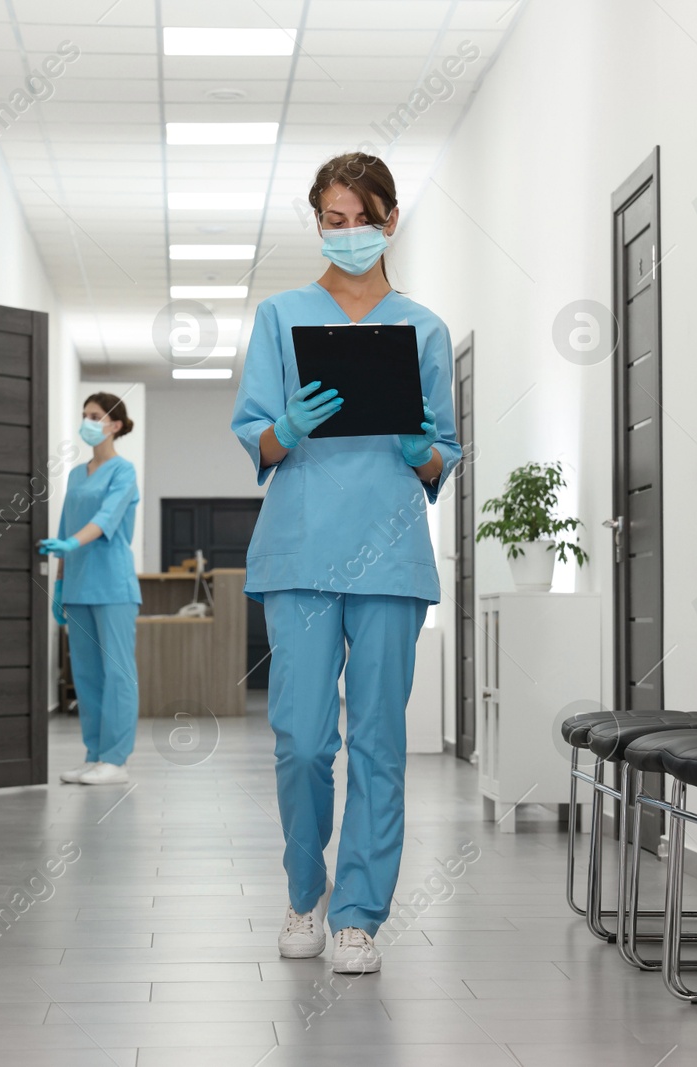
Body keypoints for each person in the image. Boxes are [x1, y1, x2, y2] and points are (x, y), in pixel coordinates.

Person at [230, 152, 462, 975]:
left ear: (390, 220)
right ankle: (304, 892)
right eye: (334, 217)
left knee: (378, 745)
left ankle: (359, 913)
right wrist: (286, 427)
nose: (349, 231)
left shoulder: (424, 329)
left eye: (363, 216)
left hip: (391, 557)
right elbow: (255, 437)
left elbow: (443, 460)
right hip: (298, 553)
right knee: (300, 740)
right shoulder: (280, 318)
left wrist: (418, 446)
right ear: (318, 220)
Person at [40, 393, 142, 786]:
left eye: (95, 416)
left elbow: (105, 518)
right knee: (85, 675)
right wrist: (60, 583)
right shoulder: (75, 475)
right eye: (84, 416)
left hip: (113, 586)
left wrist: (70, 544)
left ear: (115, 425)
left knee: (118, 673)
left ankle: (116, 760)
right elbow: (67, 527)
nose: (88, 422)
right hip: (78, 586)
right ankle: (95, 754)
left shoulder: (123, 471)